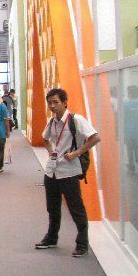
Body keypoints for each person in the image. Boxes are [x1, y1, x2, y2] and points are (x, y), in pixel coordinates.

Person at [35, 88, 100, 258]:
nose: (52, 106)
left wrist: (77, 152)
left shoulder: (76, 120)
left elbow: (95, 137)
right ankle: (51, 238)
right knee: (52, 208)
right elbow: (45, 138)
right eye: (50, 103)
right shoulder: (52, 122)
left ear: (65, 103)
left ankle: (82, 243)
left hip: (69, 172)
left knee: (76, 208)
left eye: (55, 102)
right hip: (52, 171)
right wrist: (51, 152)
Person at [122, 85, 138, 173]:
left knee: (129, 150)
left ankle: (131, 166)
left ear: (129, 93)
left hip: (128, 131)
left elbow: (123, 119)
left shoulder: (125, 105)